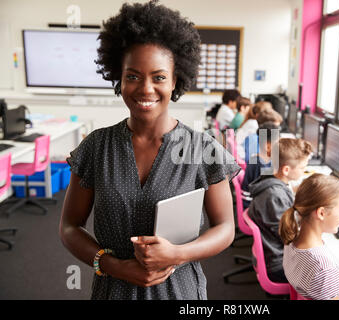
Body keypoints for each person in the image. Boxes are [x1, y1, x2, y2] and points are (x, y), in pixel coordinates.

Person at [59, 1, 240, 300]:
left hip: (180, 292)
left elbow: (225, 228)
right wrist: (112, 265)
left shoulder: (202, 148)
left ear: (175, 81)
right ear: (119, 77)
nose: (145, 88)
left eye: (158, 77)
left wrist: (178, 254)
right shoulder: (96, 147)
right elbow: (69, 226)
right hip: (113, 290)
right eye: (133, 76)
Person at [247, 138, 311, 283]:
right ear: (286, 170)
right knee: (328, 270)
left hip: (277, 254)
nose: (304, 171)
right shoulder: (274, 196)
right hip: (278, 264)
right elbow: (290, 237)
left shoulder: (273, 183)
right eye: (302, 168)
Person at [241, 122, 280, 210]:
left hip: (252, 205)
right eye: (278, 143)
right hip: (256, 209)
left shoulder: (255, 159)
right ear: (268, 147)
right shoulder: (265, 167)